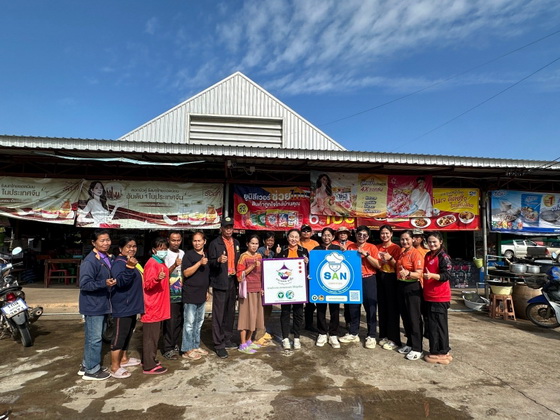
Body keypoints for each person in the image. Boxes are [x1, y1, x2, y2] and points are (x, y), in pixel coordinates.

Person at [78, 229, 114, 381]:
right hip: (93, 305)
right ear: (94, 243)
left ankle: (86, 365)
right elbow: (84, 284)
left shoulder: (105, 257)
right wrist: (103, 283)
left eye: (108, 240)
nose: (106, 243)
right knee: (95, 338)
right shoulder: (90, 261)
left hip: (102, 303)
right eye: (102, 240)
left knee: (93, 337)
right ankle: (92, 370)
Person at [109, 236, 144, 378]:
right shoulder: (119, 263)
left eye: (134, 246)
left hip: (132, 306)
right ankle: (114, 367)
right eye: (128, 246)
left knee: (128, 333)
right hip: (123, 306)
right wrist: (129, 268)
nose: (132, 249)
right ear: (120, 249)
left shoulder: (131, 261)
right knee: (119, 336)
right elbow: (121, 282)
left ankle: (124, 359)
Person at [341, 226, 381, 349]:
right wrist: (343, 253)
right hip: (354, 280)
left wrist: (366, 255)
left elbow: (378, 265)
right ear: (356, 235)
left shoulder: (372, 247)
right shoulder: (350, 246)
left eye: (364, 235)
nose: (361, 237)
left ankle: (371, 335)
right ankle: (353, 333)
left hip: (368, 279)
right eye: (359, 234)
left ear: (368, 237)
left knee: (370, 308)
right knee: (353, 307)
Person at [208, 216, 240, 359]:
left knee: (230, 312)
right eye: (226, 227)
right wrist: (218, 260)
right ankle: (218, 344)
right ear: (221, 229)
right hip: (220, 281)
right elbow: (209, 263)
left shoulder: (236, 242)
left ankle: (227, 338)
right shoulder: (215, 243)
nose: (228, 230)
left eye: (230, 227)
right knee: (218, 314)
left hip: (233, 280)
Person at [423, 232, 453, 365]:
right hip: (429, 295)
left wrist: (432, 276)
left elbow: (447, 275)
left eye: (434, 241)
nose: (432, 244)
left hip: (440, 296)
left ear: (440, 242)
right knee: (432, 326)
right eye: (429, 242)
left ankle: (442, 351)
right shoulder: (428, 255)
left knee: (440, 326)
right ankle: (435, 350)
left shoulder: (443, 256)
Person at [141, 237, 170, 374]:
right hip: (152, 306)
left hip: (158, 305)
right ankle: (149, 365)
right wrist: (157, 279)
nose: (163, 250)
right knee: (150, 337)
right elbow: (147, 284)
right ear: (154, 250)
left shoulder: (159, 262)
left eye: (165, 248)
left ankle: (148, 359)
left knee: (153, 336)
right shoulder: (152, 263)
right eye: (160, 248)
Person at [181, 231, 211, 361]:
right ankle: (187, 349)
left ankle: (195, 345)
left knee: (199, 322)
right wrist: (199, 263)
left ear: (204, 241)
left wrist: (206, 291)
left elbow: (205, 276)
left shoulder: (206, 255)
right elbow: (186, 273)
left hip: (201, 293)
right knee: (189, 323)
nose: (197, 243)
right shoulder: (188, 255)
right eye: (195, 241)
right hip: (190, 293)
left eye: (199, 240)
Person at [277, 228, 309, 350]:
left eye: (296, 237)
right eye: (291, 236)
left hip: (298, 287)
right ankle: (285, 338)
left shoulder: (304, 251)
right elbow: (274, 267)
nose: (293, 239)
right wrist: (277, 255)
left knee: (298, 313)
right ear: (287, 238)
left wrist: (307, 262)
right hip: (285, 286)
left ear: (299, 238)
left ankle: (296, 338)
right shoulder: (282, 250)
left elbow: (308, 268)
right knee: (285, 312)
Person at [395, 230, 424, 361]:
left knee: (414, 318)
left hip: (413, 287)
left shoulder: (416, 254)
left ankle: (418, 348)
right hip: (401, 285)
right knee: (405, 316)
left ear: (413, 239)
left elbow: (419, 273)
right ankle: (410, 343)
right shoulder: (402, 252)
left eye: (407, 239)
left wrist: (408, 273)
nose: (404, 241)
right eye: (402, 239)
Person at [313, 228, 342, 349]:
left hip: (334, 284)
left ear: (333, 237)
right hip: (320, 284)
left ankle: (333, 334)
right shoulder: (316, 250)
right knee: (320, 308)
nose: (326, 237)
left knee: (335, 309)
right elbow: (313, 266)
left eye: (329, 235)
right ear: (321, 236)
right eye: (324, 235)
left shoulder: (338, 249)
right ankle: (322, 333)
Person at [236, 235, 265, 354]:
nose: (254, 246)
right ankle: (242, 343)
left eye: (256, 244)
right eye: (252, 243)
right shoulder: (243, 257)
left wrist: (262, 287)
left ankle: (249, 340)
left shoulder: (259, 256)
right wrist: (252, 266)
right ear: (247, 244)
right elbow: (239, 276)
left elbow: (262, 274)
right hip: (247, 291)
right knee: (245, 317)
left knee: (255, 317)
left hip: (257, 290)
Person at [375, 225, 402, 351]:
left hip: (391, 278)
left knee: (392, 309)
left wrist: (389, 258)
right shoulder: (377, 247)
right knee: (382, 308)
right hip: (380, 277)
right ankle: (384, 335)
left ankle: (394, 339)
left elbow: (399, 266)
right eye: (382, 233)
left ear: (391, 234)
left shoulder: (396, 248)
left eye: (387, 233)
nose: (384, 235)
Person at [162, 231, 185, 360]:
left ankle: (175, 343)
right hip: (170, 293)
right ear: (168, 240)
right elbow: (164, 273)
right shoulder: (165, 254)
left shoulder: (183, 253)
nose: (176, 243)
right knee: (170, 321)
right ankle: (167, 348)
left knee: (179, 320)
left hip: (182, 292)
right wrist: (175, 265)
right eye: (173, 240)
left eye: (178, 240)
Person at [255, 231, 278, 346]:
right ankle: (257, 336)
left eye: (272, 240)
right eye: (268, 240)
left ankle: (263, 332)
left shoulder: (273, 252)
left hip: (270, 285)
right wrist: (264, 256)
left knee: (268, 309)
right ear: (264, 241)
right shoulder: (260, 251)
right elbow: (259, 267)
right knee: (261, 311)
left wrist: (277, 254)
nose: (270, 242)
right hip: (262, 284)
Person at [299, 224, 319, 332]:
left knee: (311, 302)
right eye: (304, 231)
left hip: (312, 273)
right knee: (298, 301)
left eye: (308, 231)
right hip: (299, 274)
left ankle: (309, 324)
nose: (306, 233)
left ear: (311, 233)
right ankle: (297, 325)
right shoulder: (297, 242)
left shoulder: (315, 244)